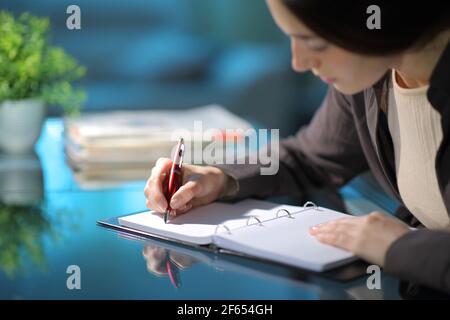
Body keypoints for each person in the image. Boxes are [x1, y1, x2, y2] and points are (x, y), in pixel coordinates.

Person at [144, 0, 450, 297]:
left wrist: (399, 248)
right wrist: (219, 177)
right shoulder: (374, 74)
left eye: (314, 42)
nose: (299, 63)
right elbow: (310, 156)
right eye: (291, 37)